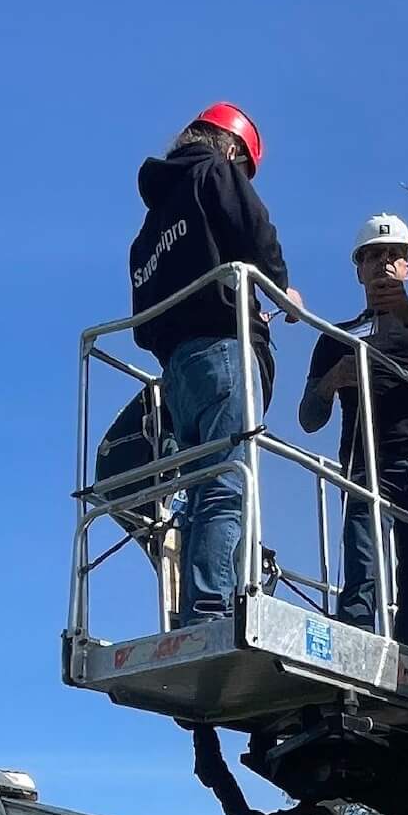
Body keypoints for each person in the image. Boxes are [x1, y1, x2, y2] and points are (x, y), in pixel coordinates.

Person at [127, 102, 302, 623]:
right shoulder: (215, 172)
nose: (243, 177)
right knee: (228, 484)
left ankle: (193, 608)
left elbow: (144, 318)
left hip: (176, 372)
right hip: (224, 352)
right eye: (244, 167)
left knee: (202, 487)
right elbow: (254, 228)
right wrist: (279, 286)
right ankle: (211, 609)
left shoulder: (149, 229)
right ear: (231, 148)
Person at [298, 214, 408, 652]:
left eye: (394, 255)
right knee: (362, 575)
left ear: (407, 268)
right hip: (365, 466)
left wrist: (407, 314)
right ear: (359, 268)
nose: (384, 263)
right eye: (374, 256)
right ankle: (355, 661)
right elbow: (309, 418)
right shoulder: (336, 337)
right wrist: (332, 381)